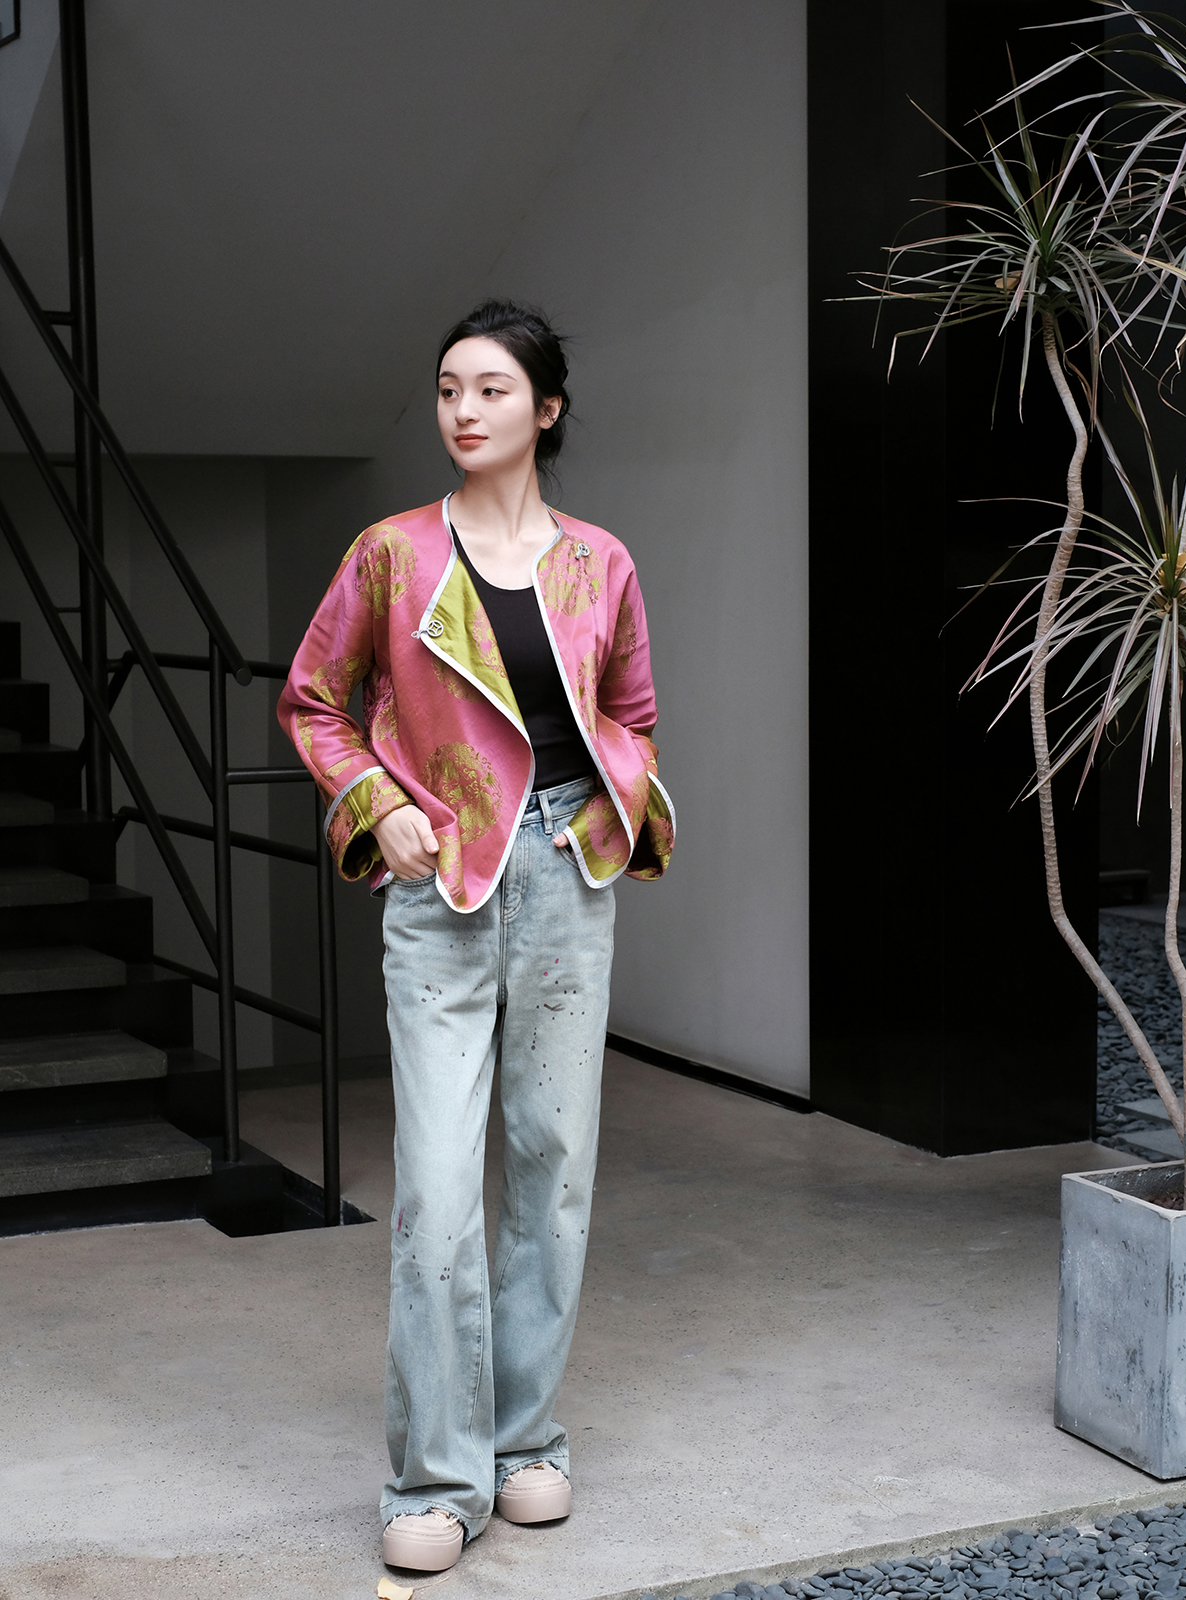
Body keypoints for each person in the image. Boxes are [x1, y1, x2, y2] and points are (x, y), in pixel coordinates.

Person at [278, 299, 675, 1573]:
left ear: (545, 410)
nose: (463, 409)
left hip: (564, 877)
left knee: (552, 1168)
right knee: (440, 1190)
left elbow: (632, 712)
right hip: (440, 883)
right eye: (450, 387)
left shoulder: (600, 562)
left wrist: (611, 809)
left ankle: (524, 1441)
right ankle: (436, 1478)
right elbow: (315, 700)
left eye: (492, 389)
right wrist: (377, 802)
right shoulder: (391, 554)